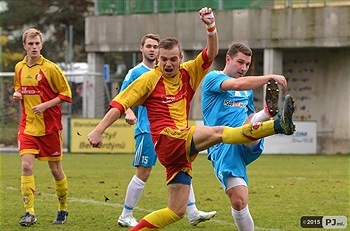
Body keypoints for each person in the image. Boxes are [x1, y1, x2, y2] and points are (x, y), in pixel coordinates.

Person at [88, 7, 295, 230]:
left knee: (175, 211)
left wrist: (210, 26)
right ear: (157, 58)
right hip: (167, 139)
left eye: (173, 59)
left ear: (181, 58)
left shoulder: (188, 72)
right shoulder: (148, 80)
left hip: (179, 153)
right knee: (219, 132)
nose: (168, 64)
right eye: (163, 59)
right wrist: (99, 129)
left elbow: (210, 53)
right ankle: (276, 125)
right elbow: (120, 104)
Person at [118, 34, 216, 227]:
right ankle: (126, 213)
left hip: (174, 132)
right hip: (148, 130)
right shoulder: (137, 73)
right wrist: (129, 112)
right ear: (142, 49)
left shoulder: (173, 72)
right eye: (149, 46)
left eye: (155, 46)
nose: (152, 50)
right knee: (144, 171)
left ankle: (192, 210)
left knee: (181, 163)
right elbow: (122, 96)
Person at [201, 42, 293, 231]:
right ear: (228, 59)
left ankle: (270, 117)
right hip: (222, 144)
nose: (243, 68)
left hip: (246, 138)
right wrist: (269, 77)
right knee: (239, 201)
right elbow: (236, 83)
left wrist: (258, 116)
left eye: (247, 64)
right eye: (240, 62)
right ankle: (271, 119)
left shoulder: (246, 92)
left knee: (252, 124)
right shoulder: (213, 78)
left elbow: (248, 116)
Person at [13, 28, 72, 227]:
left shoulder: (51, 68)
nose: (34, 47)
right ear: (25, 46)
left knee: (56, 171)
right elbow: (18, 87)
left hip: (50, 128)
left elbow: (66, 94)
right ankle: (29, 213)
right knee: (26, 165)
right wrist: (17, 94)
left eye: (37, 43)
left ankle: (63, 208)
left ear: (42, 44)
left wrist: (45, 105)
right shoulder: (19, 67)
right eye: (30, 44)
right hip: (28, 126)